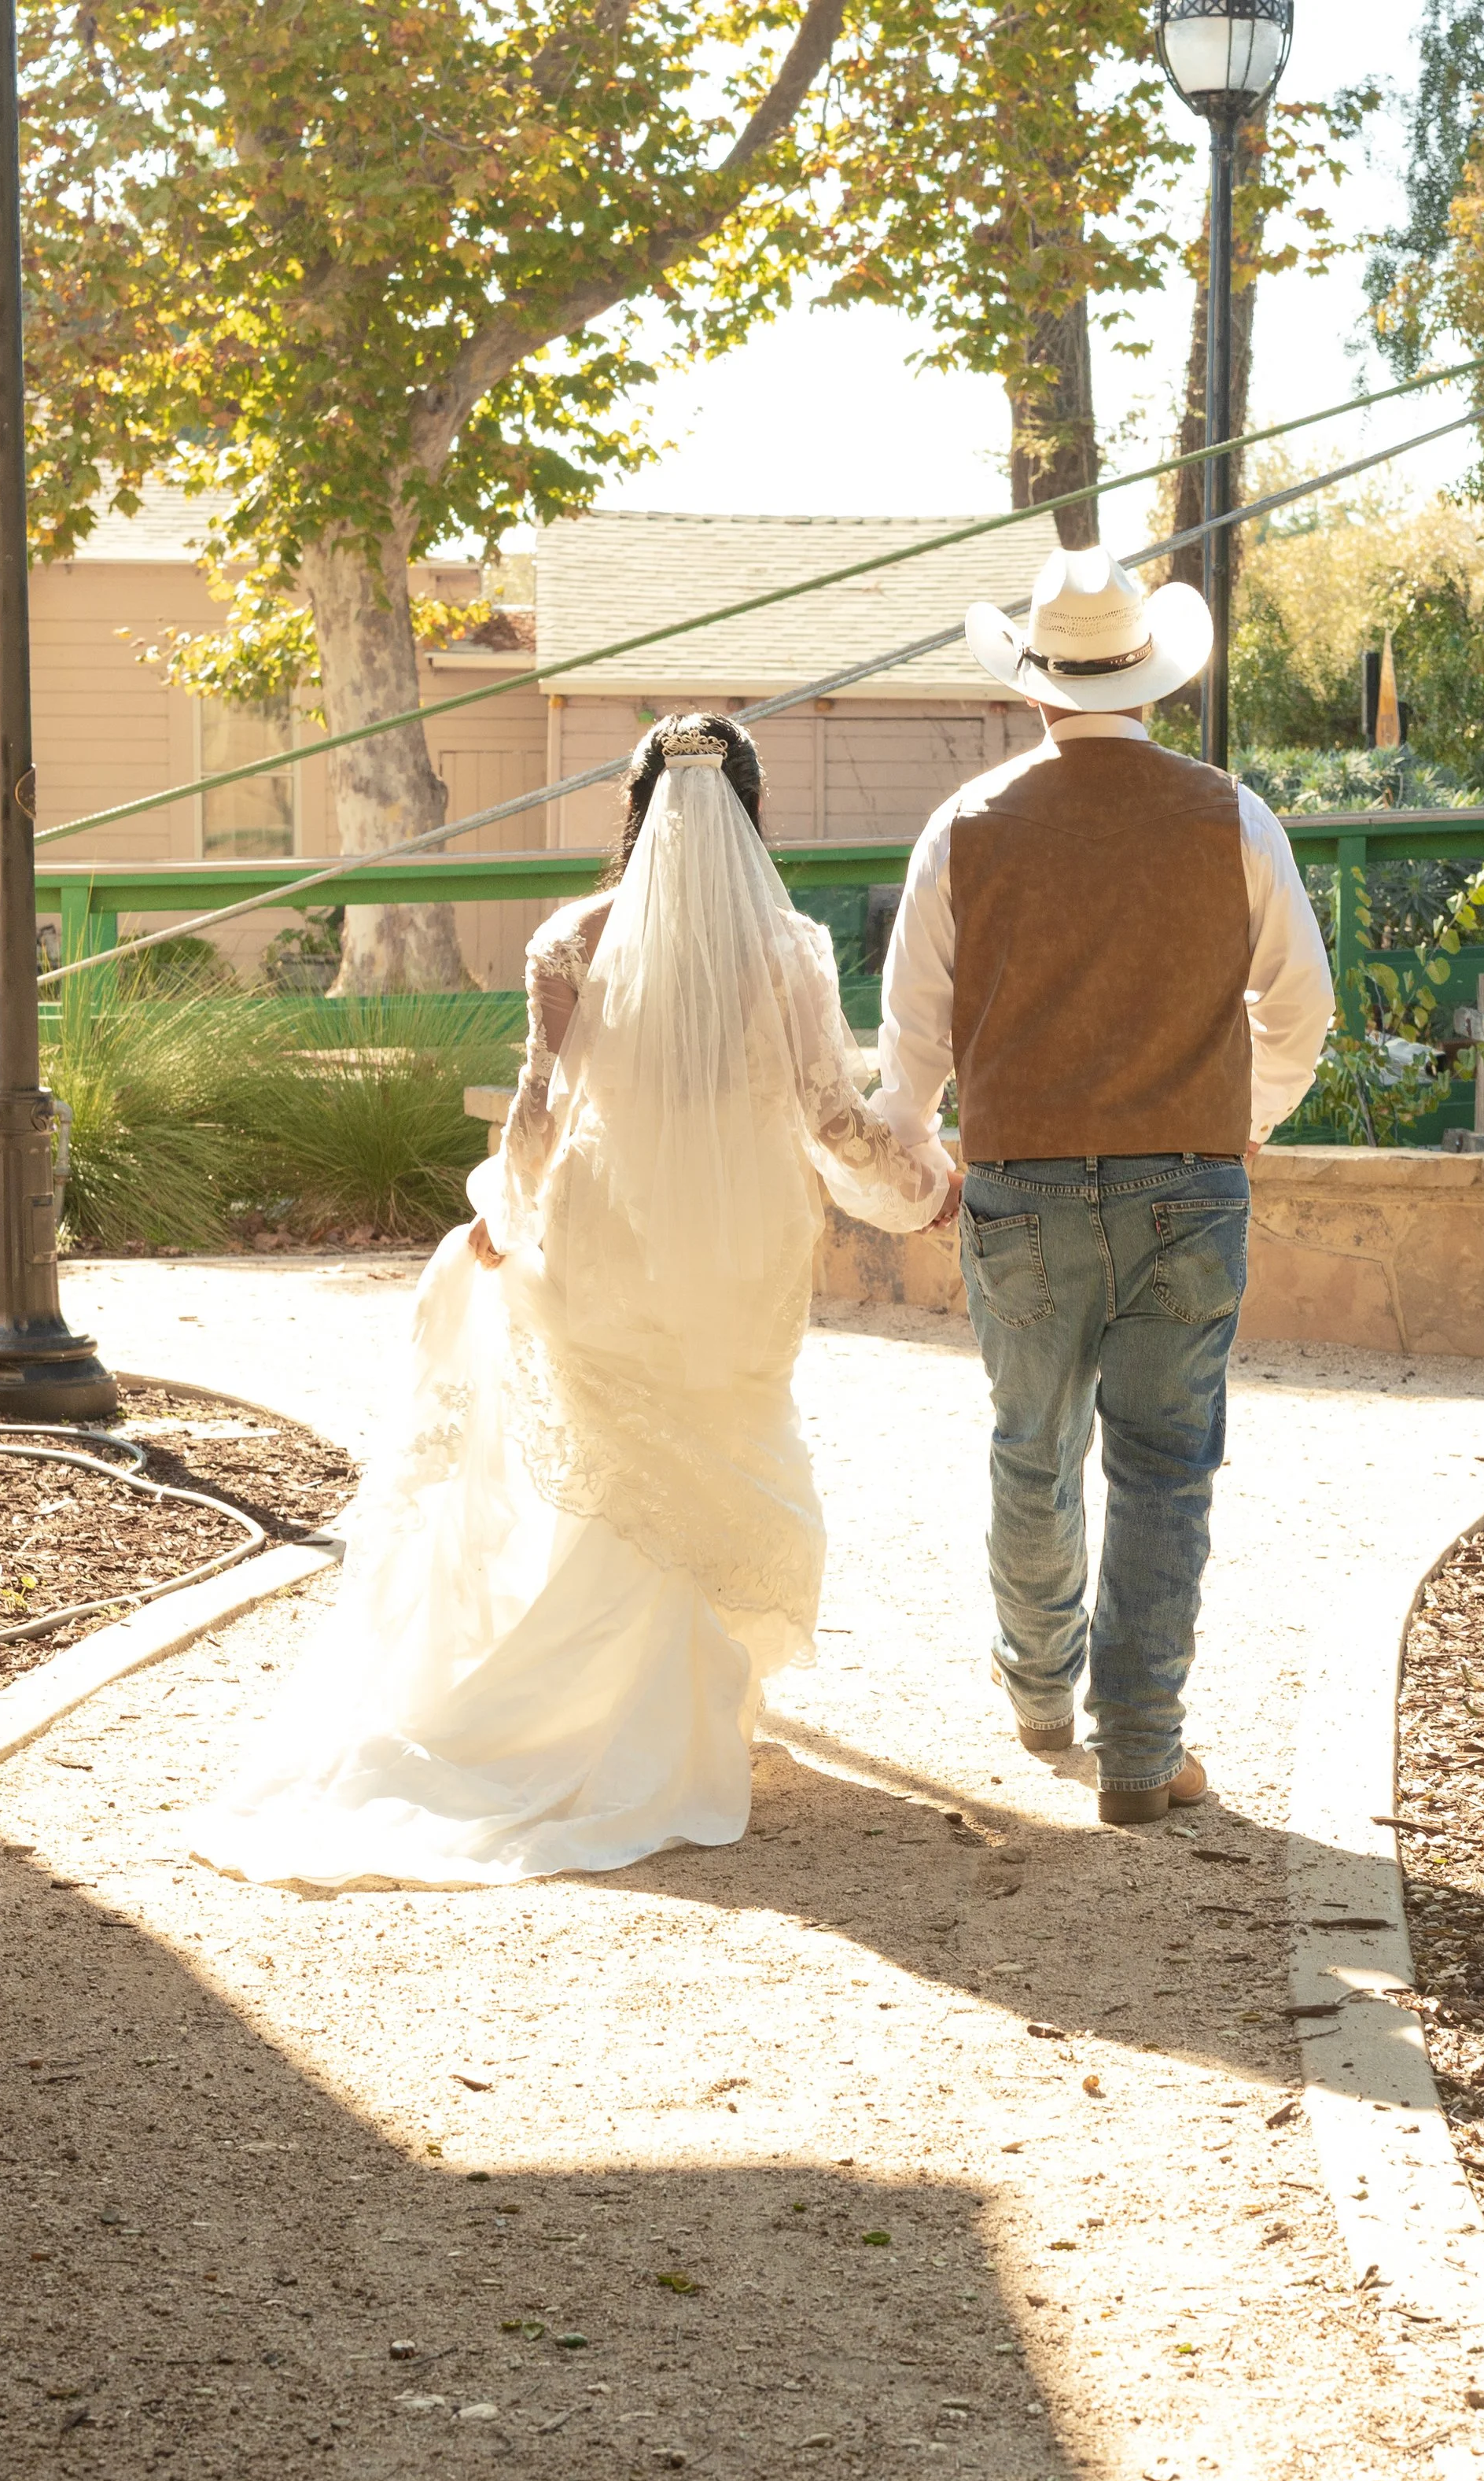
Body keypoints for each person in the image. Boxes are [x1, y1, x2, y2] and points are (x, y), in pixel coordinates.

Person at [192, 714, 953, 1886]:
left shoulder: (566, 942)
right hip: (743, 1250)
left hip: (608, 1238)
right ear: (751, 815)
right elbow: (830, 1119)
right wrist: (921, 1178)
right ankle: (683, 1714)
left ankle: (614, 1706)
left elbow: (538, 1115)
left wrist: (504, 1217)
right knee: (712, 1447)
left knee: (617, 1472)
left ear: (632, 812)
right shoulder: (790, 947)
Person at [872, 547, 1335, 1826]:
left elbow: (909, 1052)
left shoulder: (963, 828)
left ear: (1033, 686)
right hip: (1189, 1183)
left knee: (1033, 1449)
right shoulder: (1232, 814)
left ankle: (1038, 1697)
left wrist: (914, 1162)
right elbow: (1300, 1011)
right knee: (1165, 1467)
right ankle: (1142, 1750)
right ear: (1151, 676)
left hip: (1018, 1186)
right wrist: (1238, 1123)